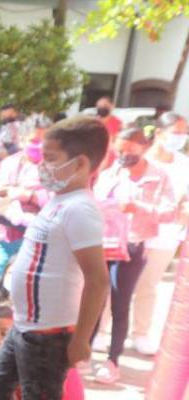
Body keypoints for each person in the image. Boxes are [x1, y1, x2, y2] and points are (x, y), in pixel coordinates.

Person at [0, 116, 112, 400]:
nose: (42, 166)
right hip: (25, 326)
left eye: (51, 158)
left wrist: (82, 339)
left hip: (48, 336)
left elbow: (98, 281)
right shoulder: (58, 199)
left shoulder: (81, 209)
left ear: (80, 163)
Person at [91, 126, 175, 384]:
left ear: (144, 147)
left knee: (120, 303)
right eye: (120, 149)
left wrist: (137, 207)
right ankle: (84, 353)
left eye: (130, 150)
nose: (124, 154)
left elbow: (169, 212)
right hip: (104, 245)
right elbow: (95, 201)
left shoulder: (158, 176)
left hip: (133, 247)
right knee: (94, 301)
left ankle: (112, 361)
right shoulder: (111, 172)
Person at [132, 112, 189, 355]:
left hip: (166, 233)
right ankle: (102, 332)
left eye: (184, 133)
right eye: (175, 132)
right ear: (159, 133)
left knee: (148, 285)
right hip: (134, 231)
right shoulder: (141, 159)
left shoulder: (184, 164)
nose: (180, 137)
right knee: (118, 284)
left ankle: (140, 333)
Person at [0, 113, 51, 282]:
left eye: (44, 141)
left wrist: (30, 196)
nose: (39, 145)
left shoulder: (54, 168)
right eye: (34, 140)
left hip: (33, 239)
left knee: (25, 287)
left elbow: (59, 203)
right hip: (2, 236)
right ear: (22, 140)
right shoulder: (8, 163)